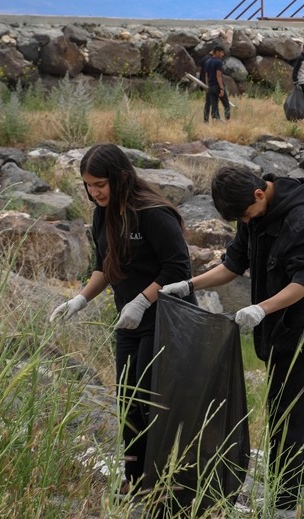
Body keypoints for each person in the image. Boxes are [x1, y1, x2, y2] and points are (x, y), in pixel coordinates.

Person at [160, 166, 304, 516]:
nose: (245, 221)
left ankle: (286, 506)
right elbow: (234, 264)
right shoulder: (252, 214)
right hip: (277, 330)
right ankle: (281, 495)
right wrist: (190, 285)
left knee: (291, 419)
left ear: (260, 194)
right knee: (277, 414)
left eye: (245, 215)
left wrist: (261, 308)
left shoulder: (302, 217)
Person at [48, 143, 192, 495]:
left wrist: (143, 301)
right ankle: (135, 478)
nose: (94, 192)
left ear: (121, 177)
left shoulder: (154, 212)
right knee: (126, 398)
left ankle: (162, 479)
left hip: (164, 317)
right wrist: (80, 299)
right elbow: (105, 266)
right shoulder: (103, 213)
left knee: (149, 398)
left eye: (100, 184)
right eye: (88, 185)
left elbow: (178, 268)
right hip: (128, 320)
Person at [201, 44, 228, 123]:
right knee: (226, 104)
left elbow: (206, 75)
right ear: (216, 52)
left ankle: (211, 119)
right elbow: (218, 75)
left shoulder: (207, 61)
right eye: (221, 53)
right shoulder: (218, 62)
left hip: (210, 86)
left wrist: (207, 85)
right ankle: (228, 120)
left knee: (212, 104)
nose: (222, 55)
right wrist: (221, 88)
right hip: (217, 86)